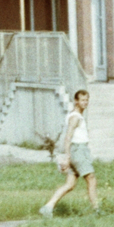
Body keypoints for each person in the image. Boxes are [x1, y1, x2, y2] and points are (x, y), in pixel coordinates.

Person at [40, 89, 100, 217]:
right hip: (78, 150)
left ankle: (48, 207)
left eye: (87, 100)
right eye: (82, 100)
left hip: (78, 150)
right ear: (76, 101)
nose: (85, 102)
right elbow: (68, 137)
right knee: (91, 179)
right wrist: (67, 157)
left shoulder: (76, 116)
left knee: (70, 184)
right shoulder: (75, 117)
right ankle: (97, 210)